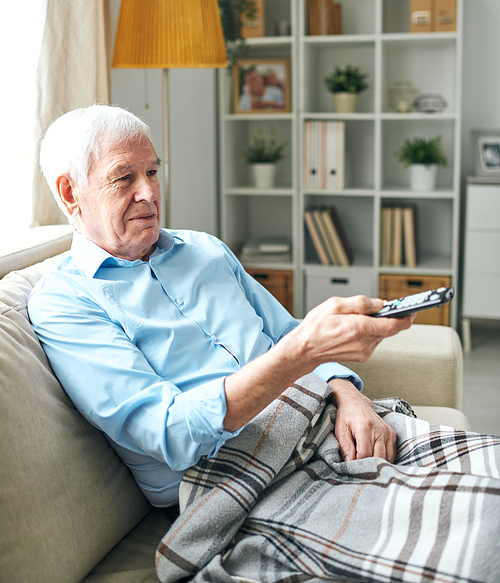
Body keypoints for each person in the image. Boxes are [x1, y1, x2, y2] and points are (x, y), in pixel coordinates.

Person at [28, 105, 414, 508]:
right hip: (236, 481)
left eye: (153, 172)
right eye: (124, 178)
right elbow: (170, 433)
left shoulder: (204, 249)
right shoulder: (64, 303)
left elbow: (285, 334)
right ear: (70, 193)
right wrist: (301, 353)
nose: (149, 192)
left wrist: (348, 395)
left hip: (324, 424)